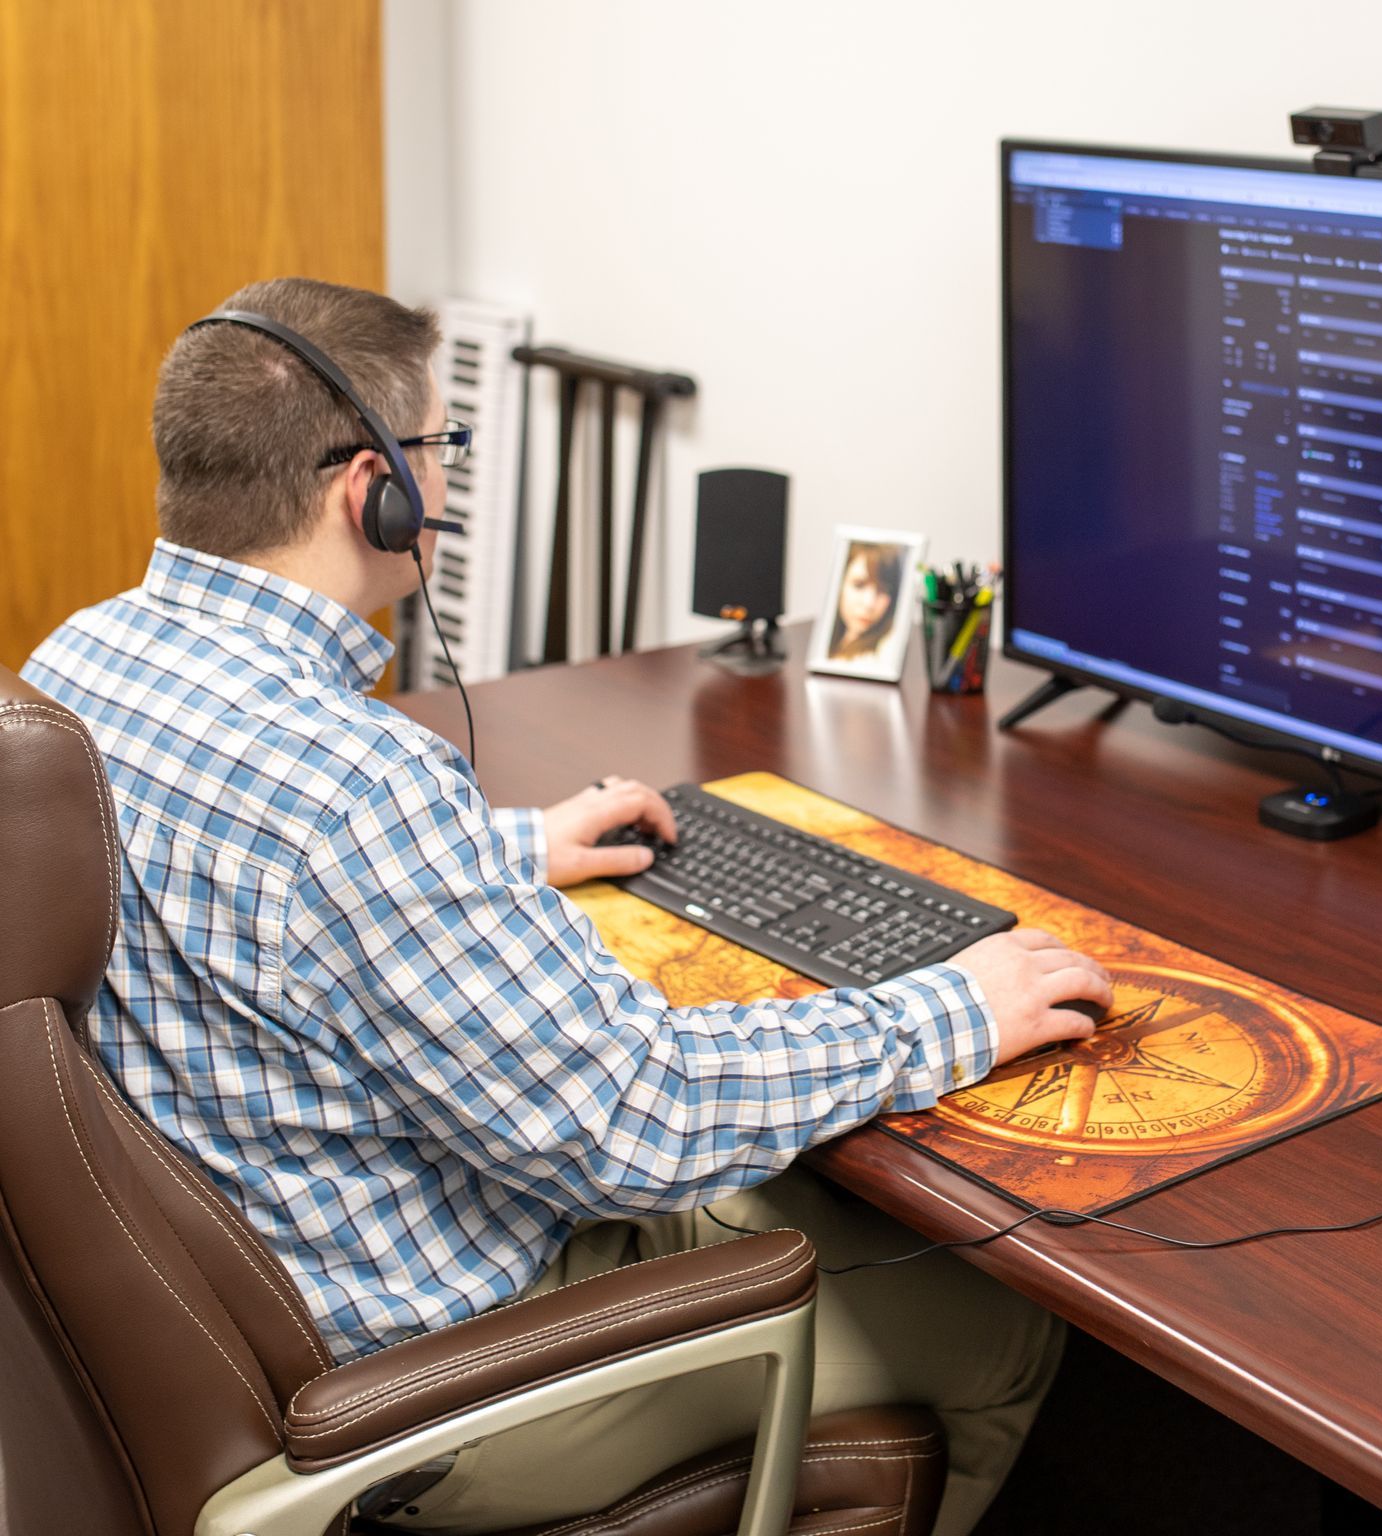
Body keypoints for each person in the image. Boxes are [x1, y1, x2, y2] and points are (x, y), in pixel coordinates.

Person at [22, 277, 1112, 1535]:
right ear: (374, 489)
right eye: (440, 445)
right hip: (436, 1395)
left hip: (256, 1311)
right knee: (1008, 1323)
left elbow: (245, 864)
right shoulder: (357, 789)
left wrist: (517, 846)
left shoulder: (80, 666)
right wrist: (953, 1009)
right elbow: (638, 1116)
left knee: (804, 1197)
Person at [827, 540, 904, 661]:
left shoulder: (883, 652)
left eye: (883, 590)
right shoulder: (829, 641)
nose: (869, 604)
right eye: (859, 585)